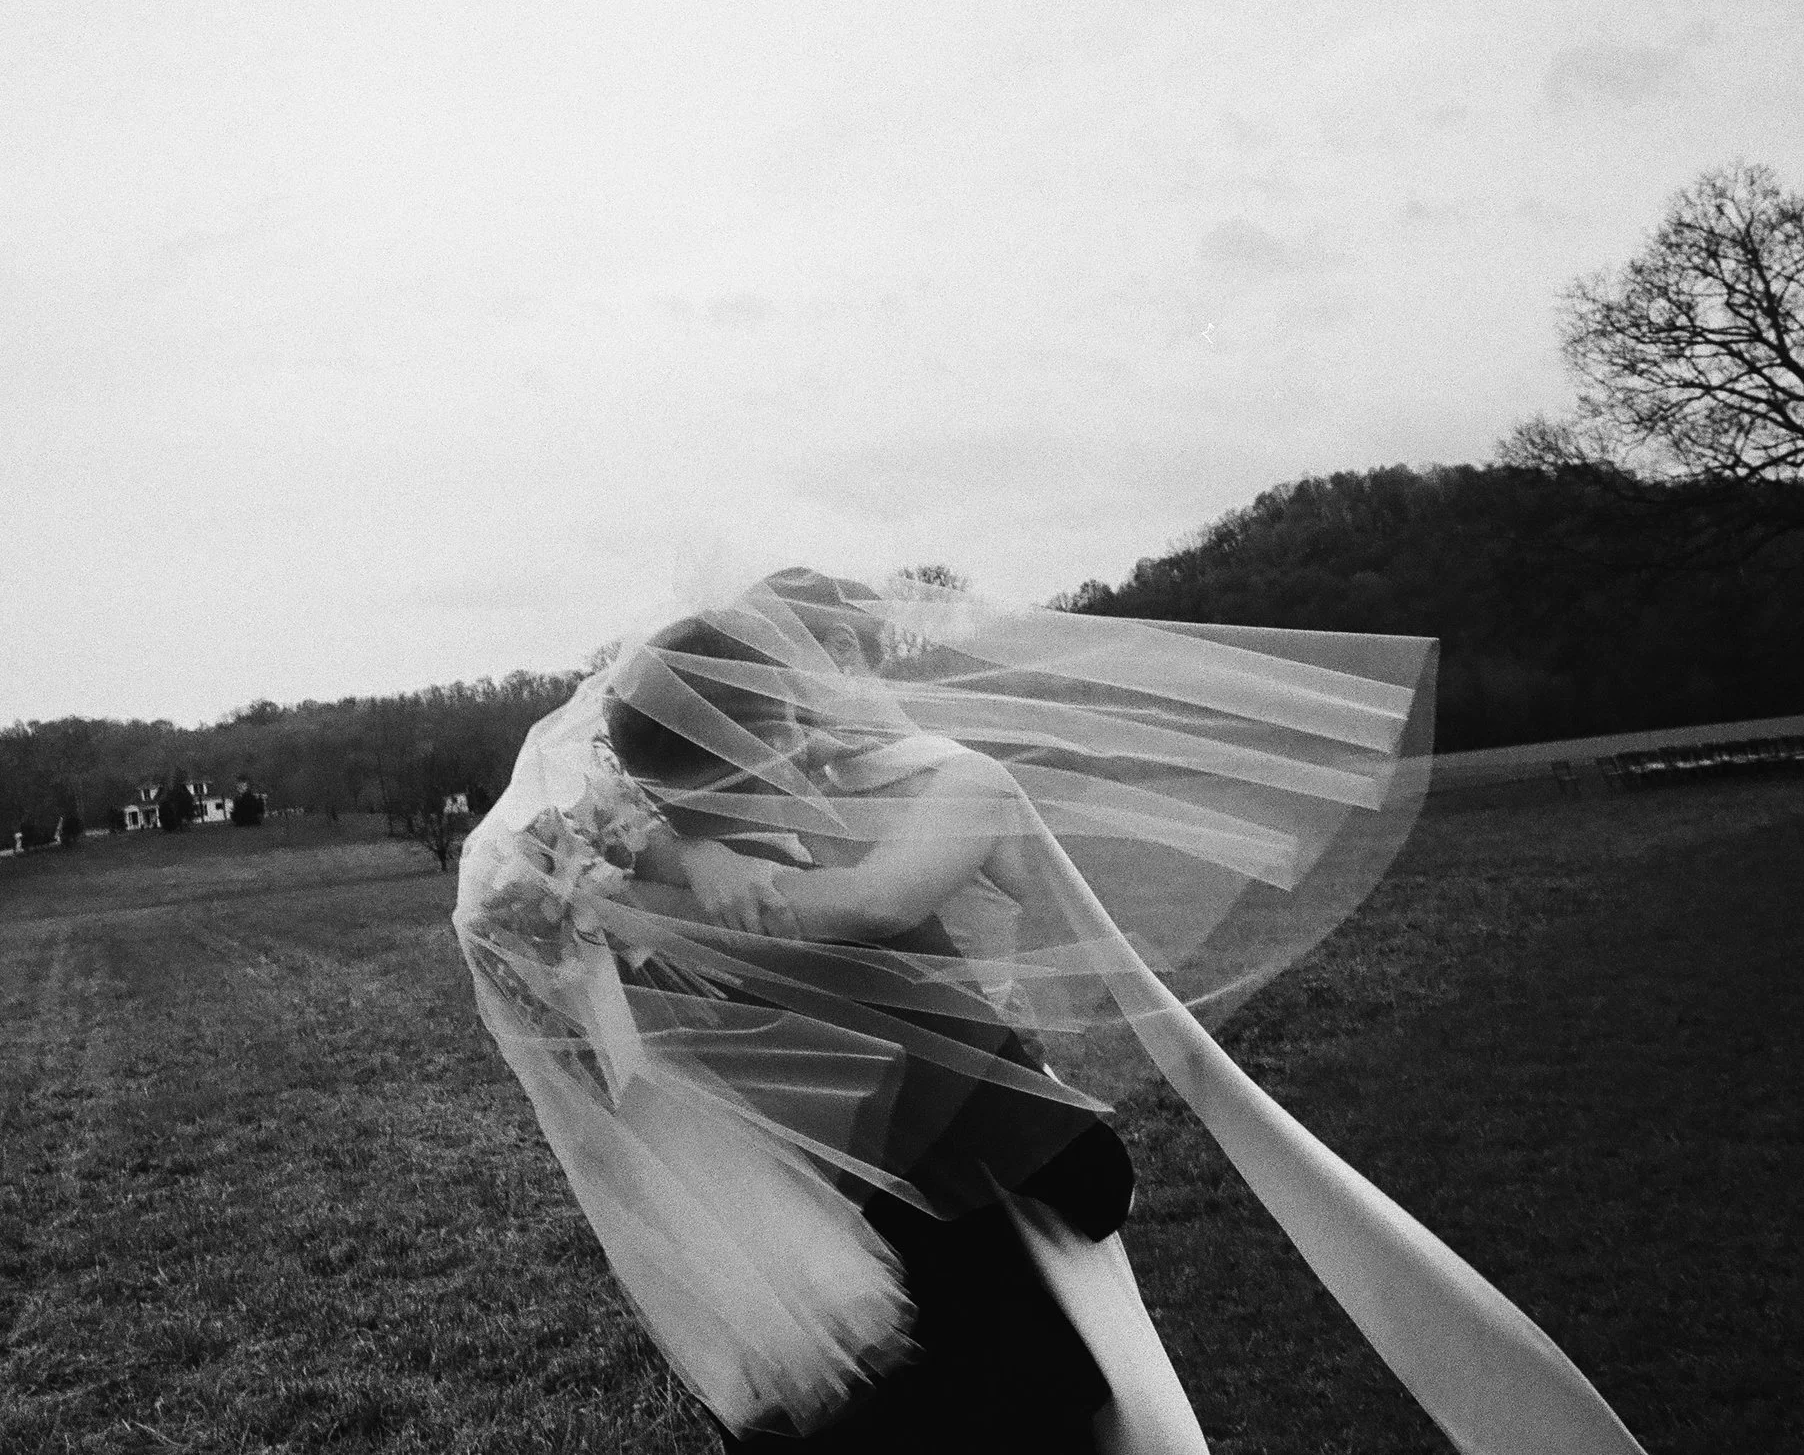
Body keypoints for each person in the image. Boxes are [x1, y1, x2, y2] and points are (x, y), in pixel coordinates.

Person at [455, 568, 1650, 1455]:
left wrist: (703, 876)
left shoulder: (953, 782)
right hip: (838, 1194)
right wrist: (663, 850)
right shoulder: (663, 839)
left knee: (1096, 1407)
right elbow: (558, 936)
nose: (820, 717)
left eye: (814, 691)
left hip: (986, 1154)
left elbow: (876, 908)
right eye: (791, 704)